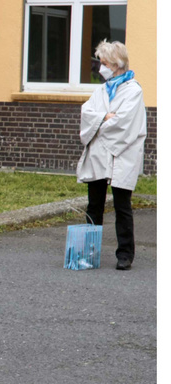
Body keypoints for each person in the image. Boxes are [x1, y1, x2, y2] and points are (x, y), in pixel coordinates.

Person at [77, 40, 146, 270]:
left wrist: (101, 120)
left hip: (122, 154)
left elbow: (124, 124)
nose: (100, 67)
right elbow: (87, 113)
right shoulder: (101, 90)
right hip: (99, 154)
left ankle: (125, 255)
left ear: (117, 64)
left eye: (104, 63)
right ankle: (88, 252)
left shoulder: (133, 91)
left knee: (122, 205)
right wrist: (104, 117)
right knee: (94, 204)